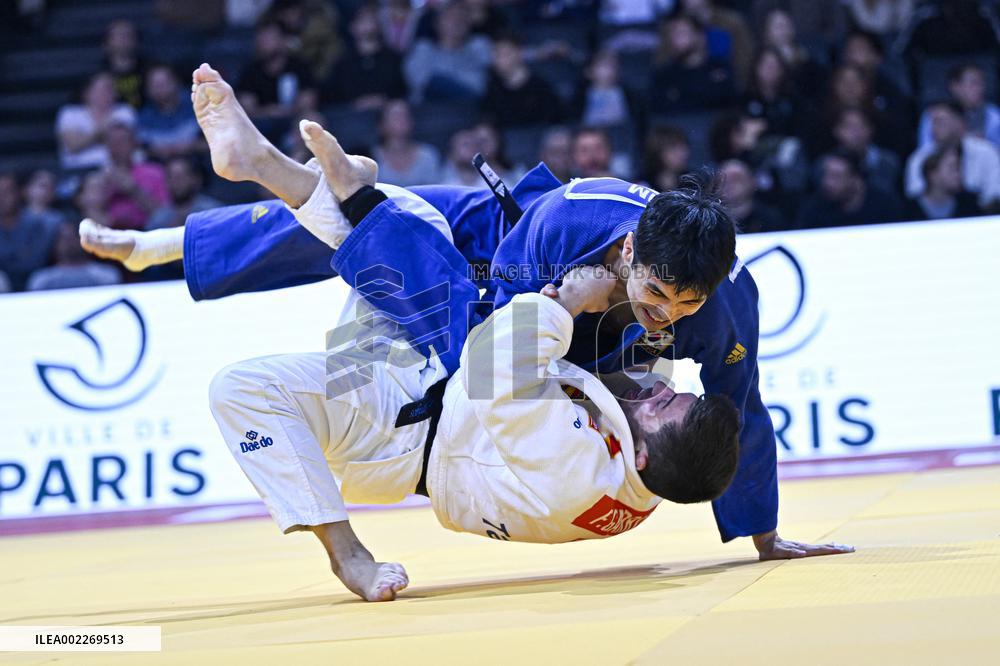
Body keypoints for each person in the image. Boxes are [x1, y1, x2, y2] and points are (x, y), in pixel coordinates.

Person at [79, 64, 858, 562]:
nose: (667, 317)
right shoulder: (572, 219)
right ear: (627, 253)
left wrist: (763, 533)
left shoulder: (724, 300)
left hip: (535, 344)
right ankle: (175, 237)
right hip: (507, 253)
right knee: (412, 243)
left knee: (391, 220)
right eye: (657, 294)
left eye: (685, 305)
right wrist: (559, 305)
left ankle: (311, 182)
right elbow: (481, 335)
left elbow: (741, 409)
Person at [905, 100, 1000, 209]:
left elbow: (995, 193)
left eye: (939, 121)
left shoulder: (987, 152)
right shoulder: (919, 158)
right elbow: (915, 196)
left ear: (960, 123)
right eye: (932, 122)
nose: (933, 128)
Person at [321, 2, 406, 110]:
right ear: (352, 27)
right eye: (363, 20)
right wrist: (355, 103)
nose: (368, 24)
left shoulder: (392, 59)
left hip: (387, 114)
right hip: (351, 118)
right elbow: (331, 94)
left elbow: (402, 90)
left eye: (372, 20)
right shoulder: (342, 62)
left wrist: (383, 100)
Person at [403, 2, 492, 104]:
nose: (456, 22)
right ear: (437, 23)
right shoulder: (423, 49)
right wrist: (458, 84)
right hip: (426, 112)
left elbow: (479, 86)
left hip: (468, 113)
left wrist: (438, 80)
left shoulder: (478, 47)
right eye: (450, 17)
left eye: (462, 18)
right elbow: (419, 81)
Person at [650, 14, 735, 114]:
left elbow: (726, 99)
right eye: (672, 34)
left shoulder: (720, 66)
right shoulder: (663, 75)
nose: (675, 39)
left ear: (700, 37)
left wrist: (681, 94)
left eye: (681, 33)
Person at [236, 20, 318, 123]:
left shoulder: (299, 67)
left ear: (284, 40)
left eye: (269, 37)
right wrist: (268, 112)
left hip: (293, 122)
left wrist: (284, 112)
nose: (263, 42)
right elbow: (246, 107)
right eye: (261, 37)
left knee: (313, 118)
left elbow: (308, 102)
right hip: (260, 124)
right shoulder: (251, 71)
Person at [796, 150, 903, 228]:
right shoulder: (814, 208)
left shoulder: (885, 206)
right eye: (826, 175)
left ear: (856, 180)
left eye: (836, 176)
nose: (828, 183)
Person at [55, 72, 137, 171]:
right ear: (87, 93)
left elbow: (128, 144)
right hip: (79, 170)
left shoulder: (124, 111)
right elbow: (73, 145)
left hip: (120, 169)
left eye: (112, 88)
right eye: (104, 88)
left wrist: (87, 137)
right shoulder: (70, 113)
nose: (110, 92)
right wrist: (103, 132)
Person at [483, 33, 563, 128]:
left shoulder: (541, 87)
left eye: (504, 54)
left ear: (519, 53)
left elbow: (557, 119)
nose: (499, 60)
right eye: (495, 55)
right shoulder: (493, 87)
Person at [917, 64, 1000, 150]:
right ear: (955, 86)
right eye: (973, 83)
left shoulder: (992, 114)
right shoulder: (934, 114)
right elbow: (925, 151)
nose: (980, 89)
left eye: (982, 83)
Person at [103, 123, 169, 230]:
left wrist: (134, 190)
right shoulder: (99, 178)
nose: (117, 146)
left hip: (148, 232)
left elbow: (164, 215)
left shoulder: (154, 172)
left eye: (122, 141)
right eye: (112, 142)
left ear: (133, 144)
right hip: (111, 234)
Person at [0, 173, 58, 291]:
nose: (2, 197)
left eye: (7, 192)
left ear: (18, 193)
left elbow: (36, 261)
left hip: (38, 279)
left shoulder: (42, 223)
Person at [27, 221, 121, 291]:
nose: (69, 242)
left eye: (74, 237)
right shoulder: (42, 281)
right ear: (55, 244)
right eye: (64, 238)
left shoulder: (106, 277)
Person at [137, 64, 203, 161]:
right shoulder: (143, 118)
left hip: (198, 164)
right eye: (155, 85)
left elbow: (216, 143)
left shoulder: (197, 106)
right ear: (148, 90)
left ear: (176, 82)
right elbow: (139, 151)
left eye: (164, 83)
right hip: (160, 167)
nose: (160, 89)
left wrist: (192, 146)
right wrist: (155, 152)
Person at [903, 144, 983, 221]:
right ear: (932, 174)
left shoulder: (969, 205)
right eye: (952, 168)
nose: (958, 174)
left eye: (958, 169)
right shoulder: (908, 210)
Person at [371, 99, 441, 187]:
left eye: (405, 116)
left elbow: (435, 193)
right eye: (395, 116)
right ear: (381, 125)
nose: (401, 120)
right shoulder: (371, 157)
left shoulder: (427, 155)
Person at [832, 107, 900, 195]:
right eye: (849, 126)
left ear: (871, 129)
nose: (856, 132)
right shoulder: (824, 165)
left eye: (861, 126)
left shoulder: (889, 162)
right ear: (837, 131)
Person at [718, 158, 786, 233]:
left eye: (736, 179)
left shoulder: (772, 219)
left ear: (752, 181)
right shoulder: (711, 221)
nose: (729, 184)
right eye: (723, 180)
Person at [102, 20, 146, 109]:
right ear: (107, 43)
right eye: (118, 36)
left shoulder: (150, 70)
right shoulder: (97, 74)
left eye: (127, 35)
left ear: (135, 40)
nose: (123, 40)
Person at [641, 126, 691, 192]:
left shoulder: (693, 181)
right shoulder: (643, 185)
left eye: (682, 147)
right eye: (673, 149)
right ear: (657, 152)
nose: (682, 154)